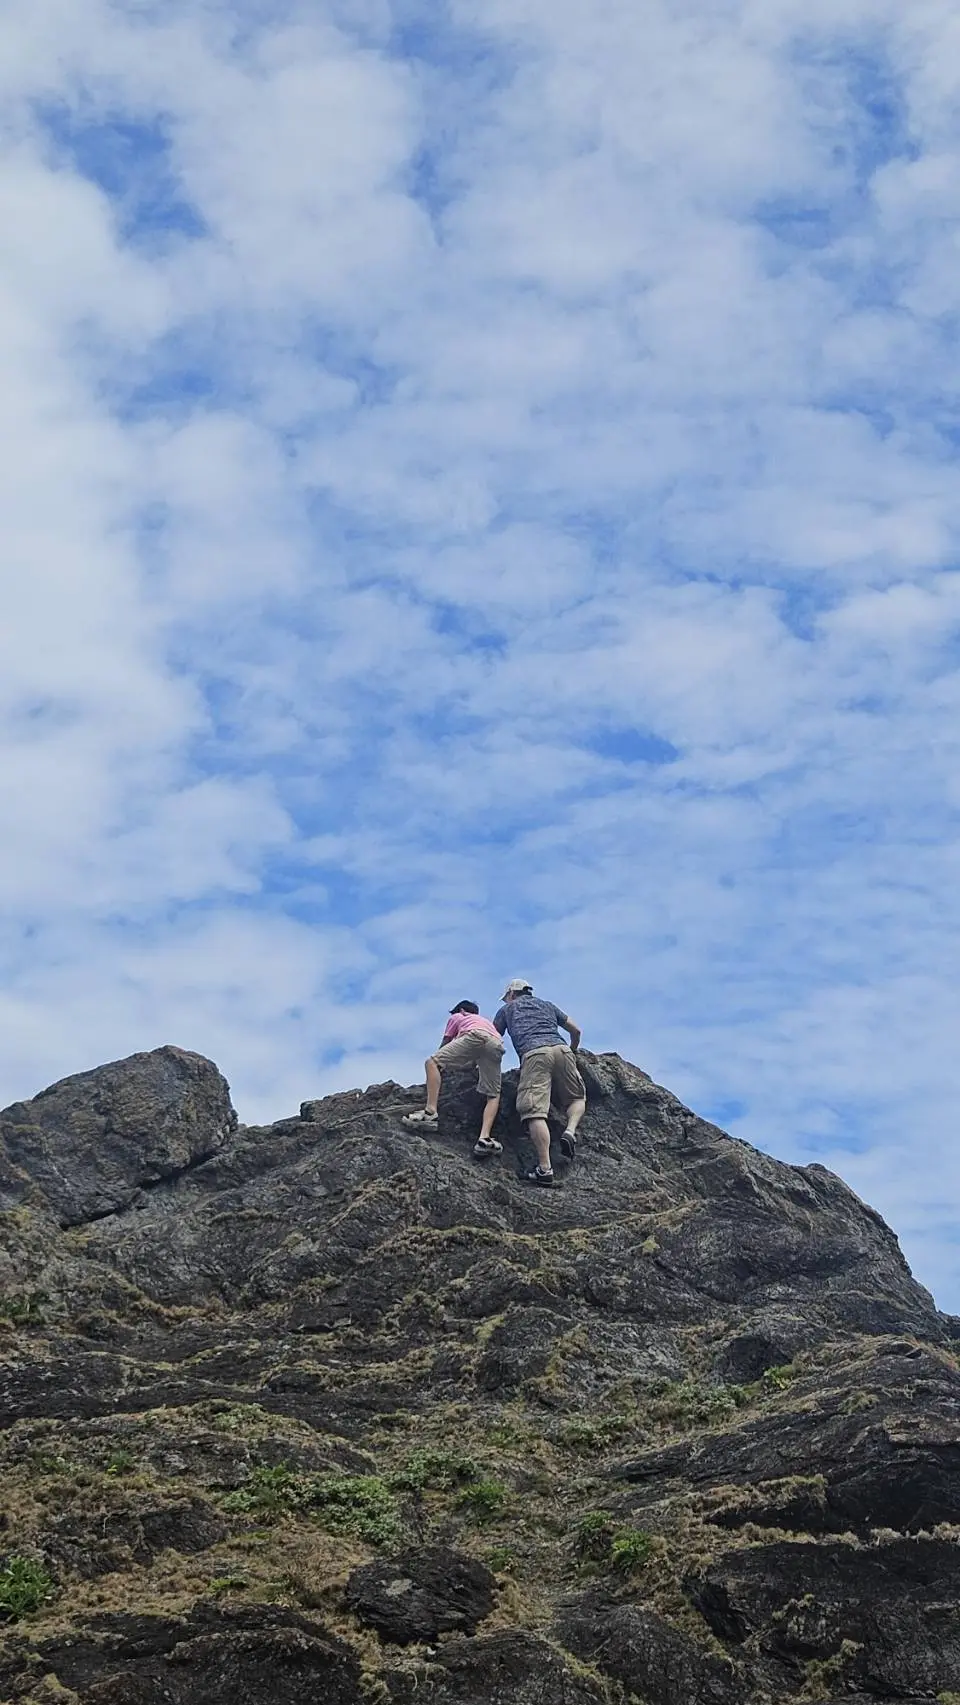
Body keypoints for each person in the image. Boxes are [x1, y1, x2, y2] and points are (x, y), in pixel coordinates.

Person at [493, 979, 586, 1186]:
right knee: (577, 1098)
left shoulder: (508, 1009)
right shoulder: (547, 1005)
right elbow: (576, 1031)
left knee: (534, 1110)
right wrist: (573, 1050)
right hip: (561, 1049)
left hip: (534, 1054)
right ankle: (570, 1131)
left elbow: (493, 1037)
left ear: (511, 994)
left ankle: (545, 1169)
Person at [402, 1000, 505, 1156]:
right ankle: (484, 1138)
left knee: (431, 1062)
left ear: (462, 1010)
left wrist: (439, 1065)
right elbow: (470, 1064)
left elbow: (446, 1042)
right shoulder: (485, 1021)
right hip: (496, 1044)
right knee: (493, 1093)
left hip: (475, 1036)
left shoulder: (459, 1016)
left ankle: (430, 1113)